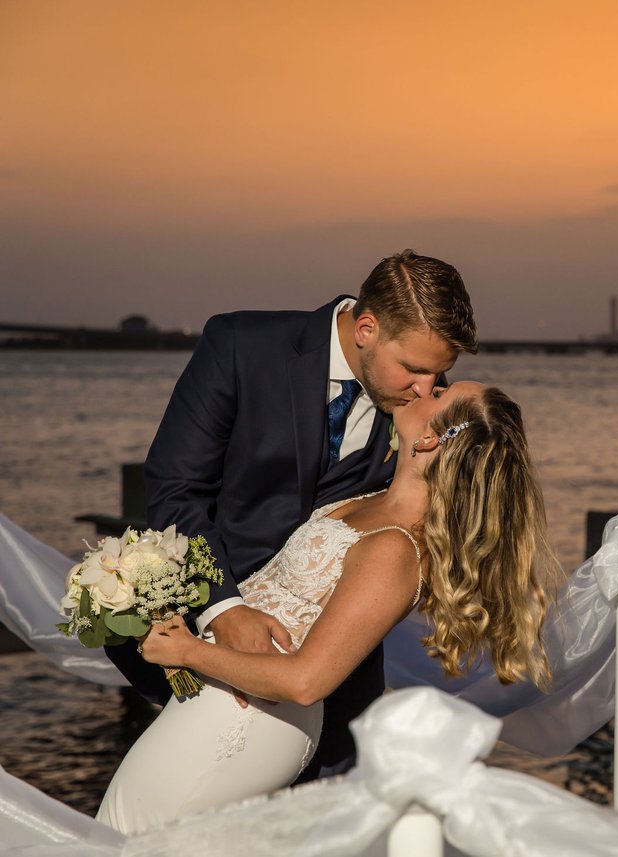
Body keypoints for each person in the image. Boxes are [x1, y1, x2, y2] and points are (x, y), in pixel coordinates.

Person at [95, 381, 559, 835]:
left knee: (124, 831)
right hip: (227, 694)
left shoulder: (397, 549)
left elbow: (307, 682)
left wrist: (188, 652)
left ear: (429, 439)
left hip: (252, 717)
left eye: (439, 394)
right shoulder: (371, 499)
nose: (424, 387)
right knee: (139, 836)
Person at [105, 249, 479, 782]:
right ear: (367, 329)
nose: (427, 388)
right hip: (204, 644)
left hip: (333, 685)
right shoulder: (241, 345)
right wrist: (224, 612)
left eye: (440, 372)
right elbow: (176, 488)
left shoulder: (417, 414)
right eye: (415, 369)